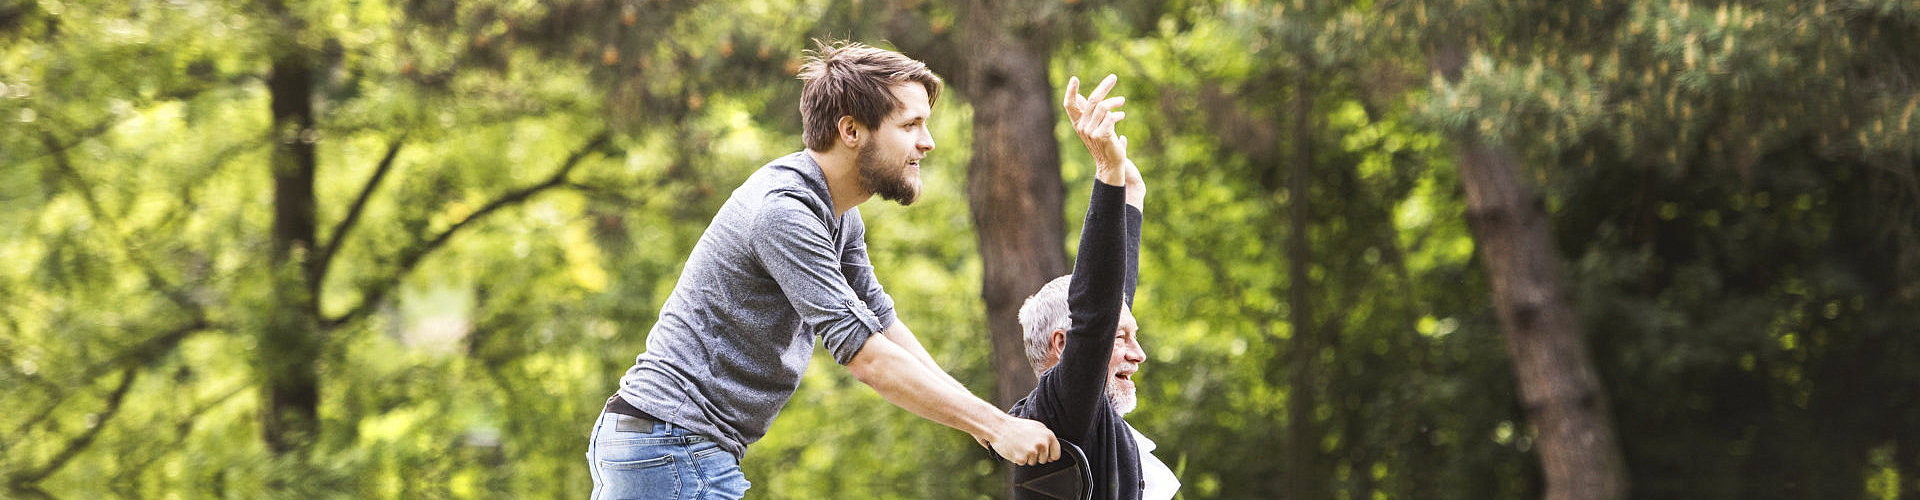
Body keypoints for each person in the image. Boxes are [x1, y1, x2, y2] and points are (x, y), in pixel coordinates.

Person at [586, 40, 1060, 500]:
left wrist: (985, 423)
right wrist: (995, 427)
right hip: (671, 448)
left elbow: (883, 324)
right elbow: (866, 357)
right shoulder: (784, 212)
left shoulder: (835, 211)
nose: (927, 142)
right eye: (911, 124)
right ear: (850, 131)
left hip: (676, 445)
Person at [1008, 74, 1181, 500]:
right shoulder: (1059, 416)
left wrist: (1129, 186)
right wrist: (1106, 173)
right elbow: (1096, 312)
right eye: (1121, 339)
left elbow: (1109, 298)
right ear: (1064, 345)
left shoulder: (1092, 416)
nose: (1138, 354)